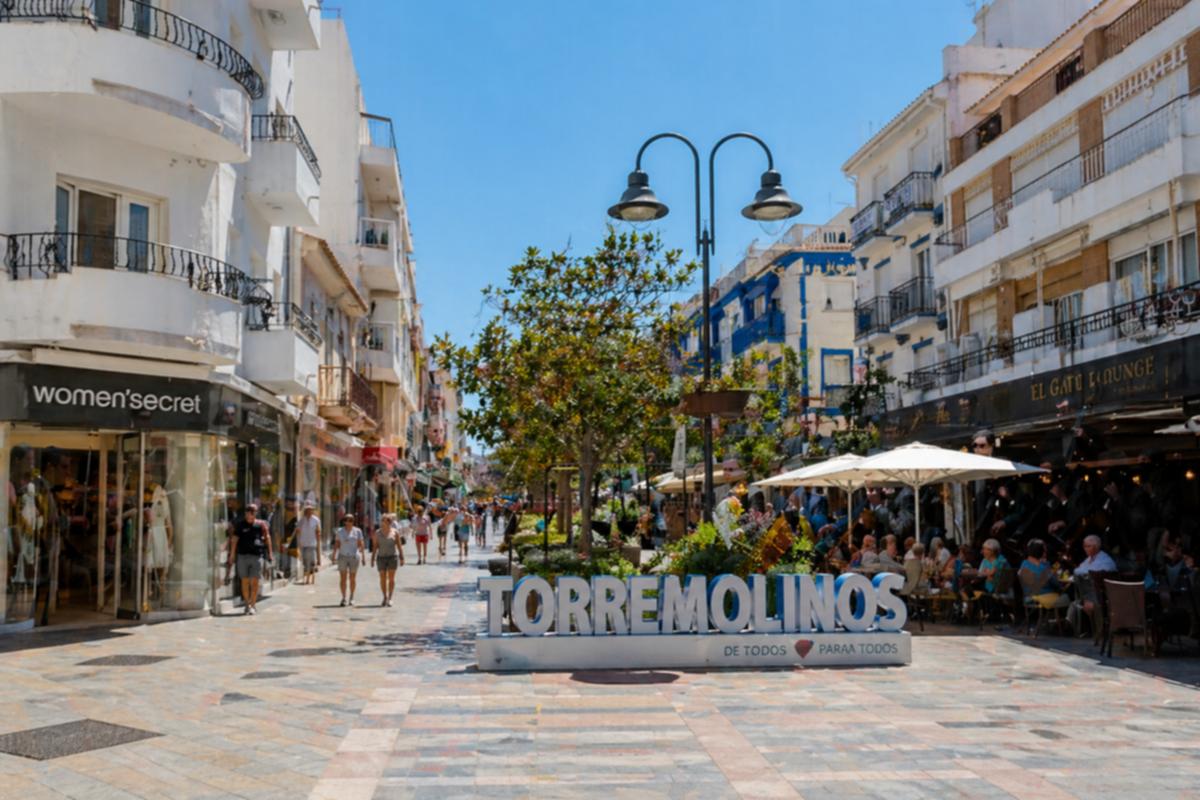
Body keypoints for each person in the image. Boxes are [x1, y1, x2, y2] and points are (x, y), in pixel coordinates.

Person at [225, 503, 272, 616]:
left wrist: (270, 553)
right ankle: (247, 604)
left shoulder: (261, 525)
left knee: (255, 581)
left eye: (253, 511)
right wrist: (232, 555)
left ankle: (253, 605)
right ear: (246, 513)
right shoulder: (240, 525)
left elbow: (267, 538)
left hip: (257, 556)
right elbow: (234, 540)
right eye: (249, 511)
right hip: (242, 556)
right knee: (245, 581)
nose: (251, 513)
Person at [332, 514, 365, 607]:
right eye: (347, 520)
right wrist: (334, 555)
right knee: (343, 578)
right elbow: (337, 543)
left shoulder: (357, 531)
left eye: (351, 520)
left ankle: (352, 597)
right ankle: (343, 598)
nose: (349, 522)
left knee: (352, 578)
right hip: (342, 556)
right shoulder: (340, 531)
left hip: (354, 556)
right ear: (344, 521)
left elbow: (361, 544)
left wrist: (363, 557)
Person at [372, 513, 402, 607]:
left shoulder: (395, 532)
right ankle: (384, 597)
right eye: (385, 520)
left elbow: (399, 545)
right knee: (382, 578)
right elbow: (375, 546)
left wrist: (402, 557)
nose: (387, 522)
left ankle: (390, 598)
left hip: (392, 557)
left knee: (391, 579)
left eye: (389, 520)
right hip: (381, 557)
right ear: (382, 521)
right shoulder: (377, 533)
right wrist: (372, 558)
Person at [295, 502, 321, 585]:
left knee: (311, 561)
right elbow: (297, 531)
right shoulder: (301, 520)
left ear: (312, 511)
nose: (309, 511)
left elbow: (318, 532)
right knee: (305, 562)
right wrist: (298, 542)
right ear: (305, 511)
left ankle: (310, 578)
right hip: (303, 543)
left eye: (311, 510)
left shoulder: (316, 520)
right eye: (307, 510)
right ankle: (307, 577)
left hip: (312, 543)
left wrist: (318, 542)